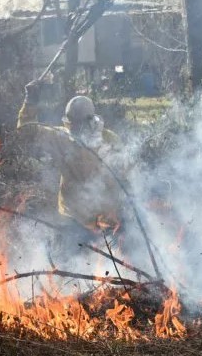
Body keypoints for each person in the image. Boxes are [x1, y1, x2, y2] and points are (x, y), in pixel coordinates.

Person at [16, 80, 130, 244]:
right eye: (72, 125)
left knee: (110, 264)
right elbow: (26, 131)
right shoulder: (60, 137)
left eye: (78, 125)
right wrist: (30, 101)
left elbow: (126, 177)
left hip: (106, 220)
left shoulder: (109, 140)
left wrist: (125, 215)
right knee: (71, 264)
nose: (74, 129)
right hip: (72, 218)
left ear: (91, 121)